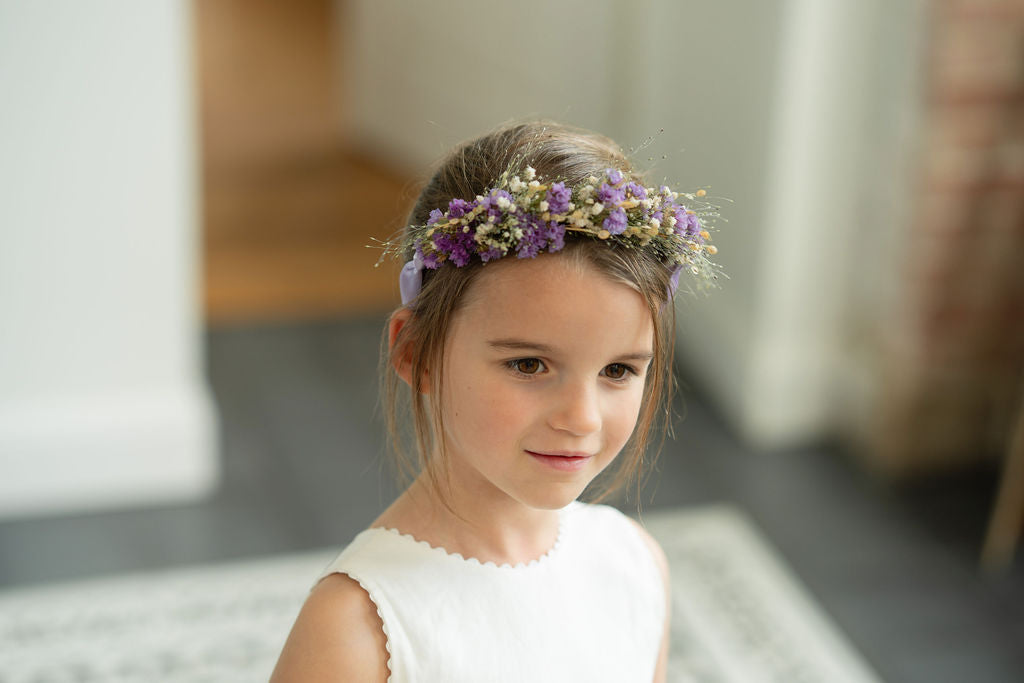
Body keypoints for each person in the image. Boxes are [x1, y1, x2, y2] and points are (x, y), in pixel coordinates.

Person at [271, 121, 720, 682]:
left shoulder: (633, 565)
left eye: (617, 370)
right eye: (529, 365)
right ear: (418, 353)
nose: (581, 419)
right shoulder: (359, 632)